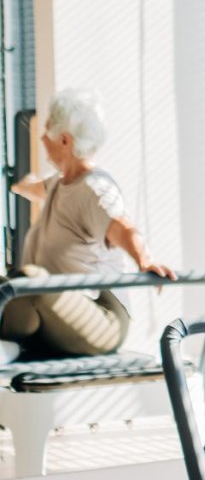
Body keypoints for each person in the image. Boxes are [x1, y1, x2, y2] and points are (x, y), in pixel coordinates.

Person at [0, 89, 176, 362]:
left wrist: (145, 260)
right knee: (12, 284)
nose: (42, 138)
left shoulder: (95, 188)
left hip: (99, 316)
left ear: (65, 140)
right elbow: (36, 189)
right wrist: (18, 186)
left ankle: (12, 338)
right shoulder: (59, 183)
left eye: (46, 131)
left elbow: (121, 226)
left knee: (31, 279)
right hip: (57, 309)